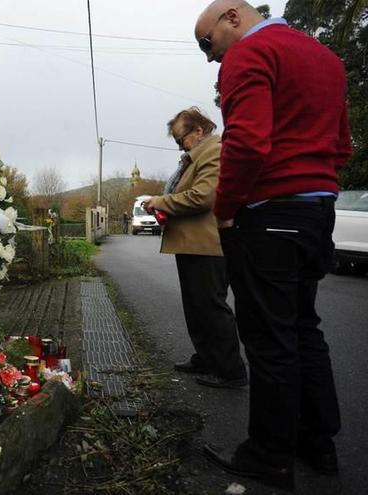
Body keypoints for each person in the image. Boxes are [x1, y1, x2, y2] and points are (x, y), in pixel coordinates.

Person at [194, 1, 351, 490]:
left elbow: (247, 142)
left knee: (269, 339)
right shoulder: (325, 57)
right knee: (303, 327)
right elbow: (342, 144)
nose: (210, 58)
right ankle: (317, 443)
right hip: (315, 210)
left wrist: (226, 209)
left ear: (233, 19)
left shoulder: (249, 54)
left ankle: (268, 454)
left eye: (207, 43)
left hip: (271, 212)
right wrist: (316, 184)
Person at [143, 108, 247, 389]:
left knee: (211, 306)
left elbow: (204, 196)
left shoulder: (214, 152)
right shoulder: (195, 156)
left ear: (199, 131)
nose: (180, 145)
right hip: (192, 243)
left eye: (181, 139)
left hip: (207, 243)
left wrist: (161, 201)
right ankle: (205, 357)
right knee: (196, 306)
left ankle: (231, 370)